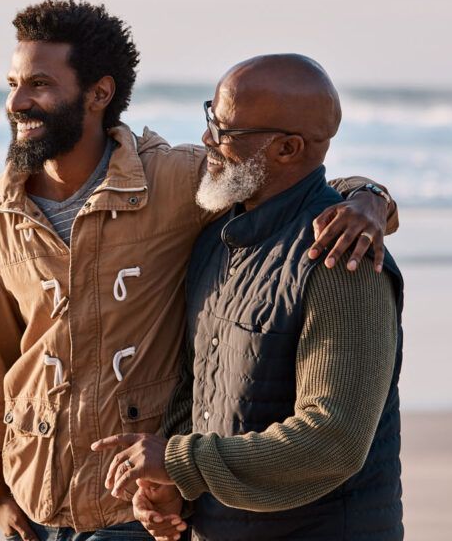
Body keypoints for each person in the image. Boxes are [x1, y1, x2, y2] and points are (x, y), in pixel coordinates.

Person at [0, 0, 398, 541]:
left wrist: (371, 200)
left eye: (40, 84)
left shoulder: (180, 182)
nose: (18, 101)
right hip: (39, 497)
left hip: (132, 506)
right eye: (13, 83)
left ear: (99, 93)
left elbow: (299, 183)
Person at [92, 54, 404, 540]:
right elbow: (197, 390)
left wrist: (180, 461)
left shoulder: (342, 262)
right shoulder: (216, 239)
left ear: (287, 148)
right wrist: (176, 487)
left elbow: (333, 440)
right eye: (209, 118)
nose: (207, 141)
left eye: (225, 130)